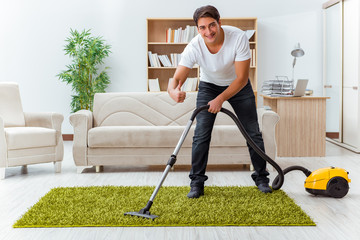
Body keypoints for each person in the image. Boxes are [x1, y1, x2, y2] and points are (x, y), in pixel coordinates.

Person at [168, 5, 272, 198]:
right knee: (201, 135)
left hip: (238, 86)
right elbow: (175, 79)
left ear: (219, 22)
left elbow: (241, 78)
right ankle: (196, 183)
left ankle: (261, 178)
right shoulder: (194, 46)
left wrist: (221, 99)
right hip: (209, 86)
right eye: (202, 28)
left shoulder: (238, 37)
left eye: (212, 25)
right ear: (197, 29)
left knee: (253, 133)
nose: (208, 32)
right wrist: (172, 91)